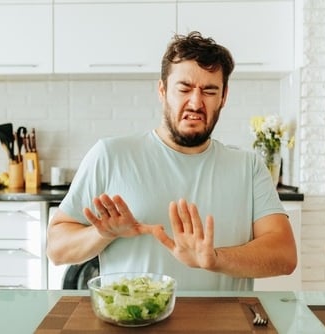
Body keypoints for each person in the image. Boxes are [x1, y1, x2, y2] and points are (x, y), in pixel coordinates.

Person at [47, 31, 297, 291]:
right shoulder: (110, 155)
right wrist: (102, 233)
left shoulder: (248, 166)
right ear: (163, 90)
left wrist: (214, 259)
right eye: (184, 88)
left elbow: (285, 255)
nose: (196, 102)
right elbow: (56, 249)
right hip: (134, 325)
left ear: (223, 98)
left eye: (209, 91)